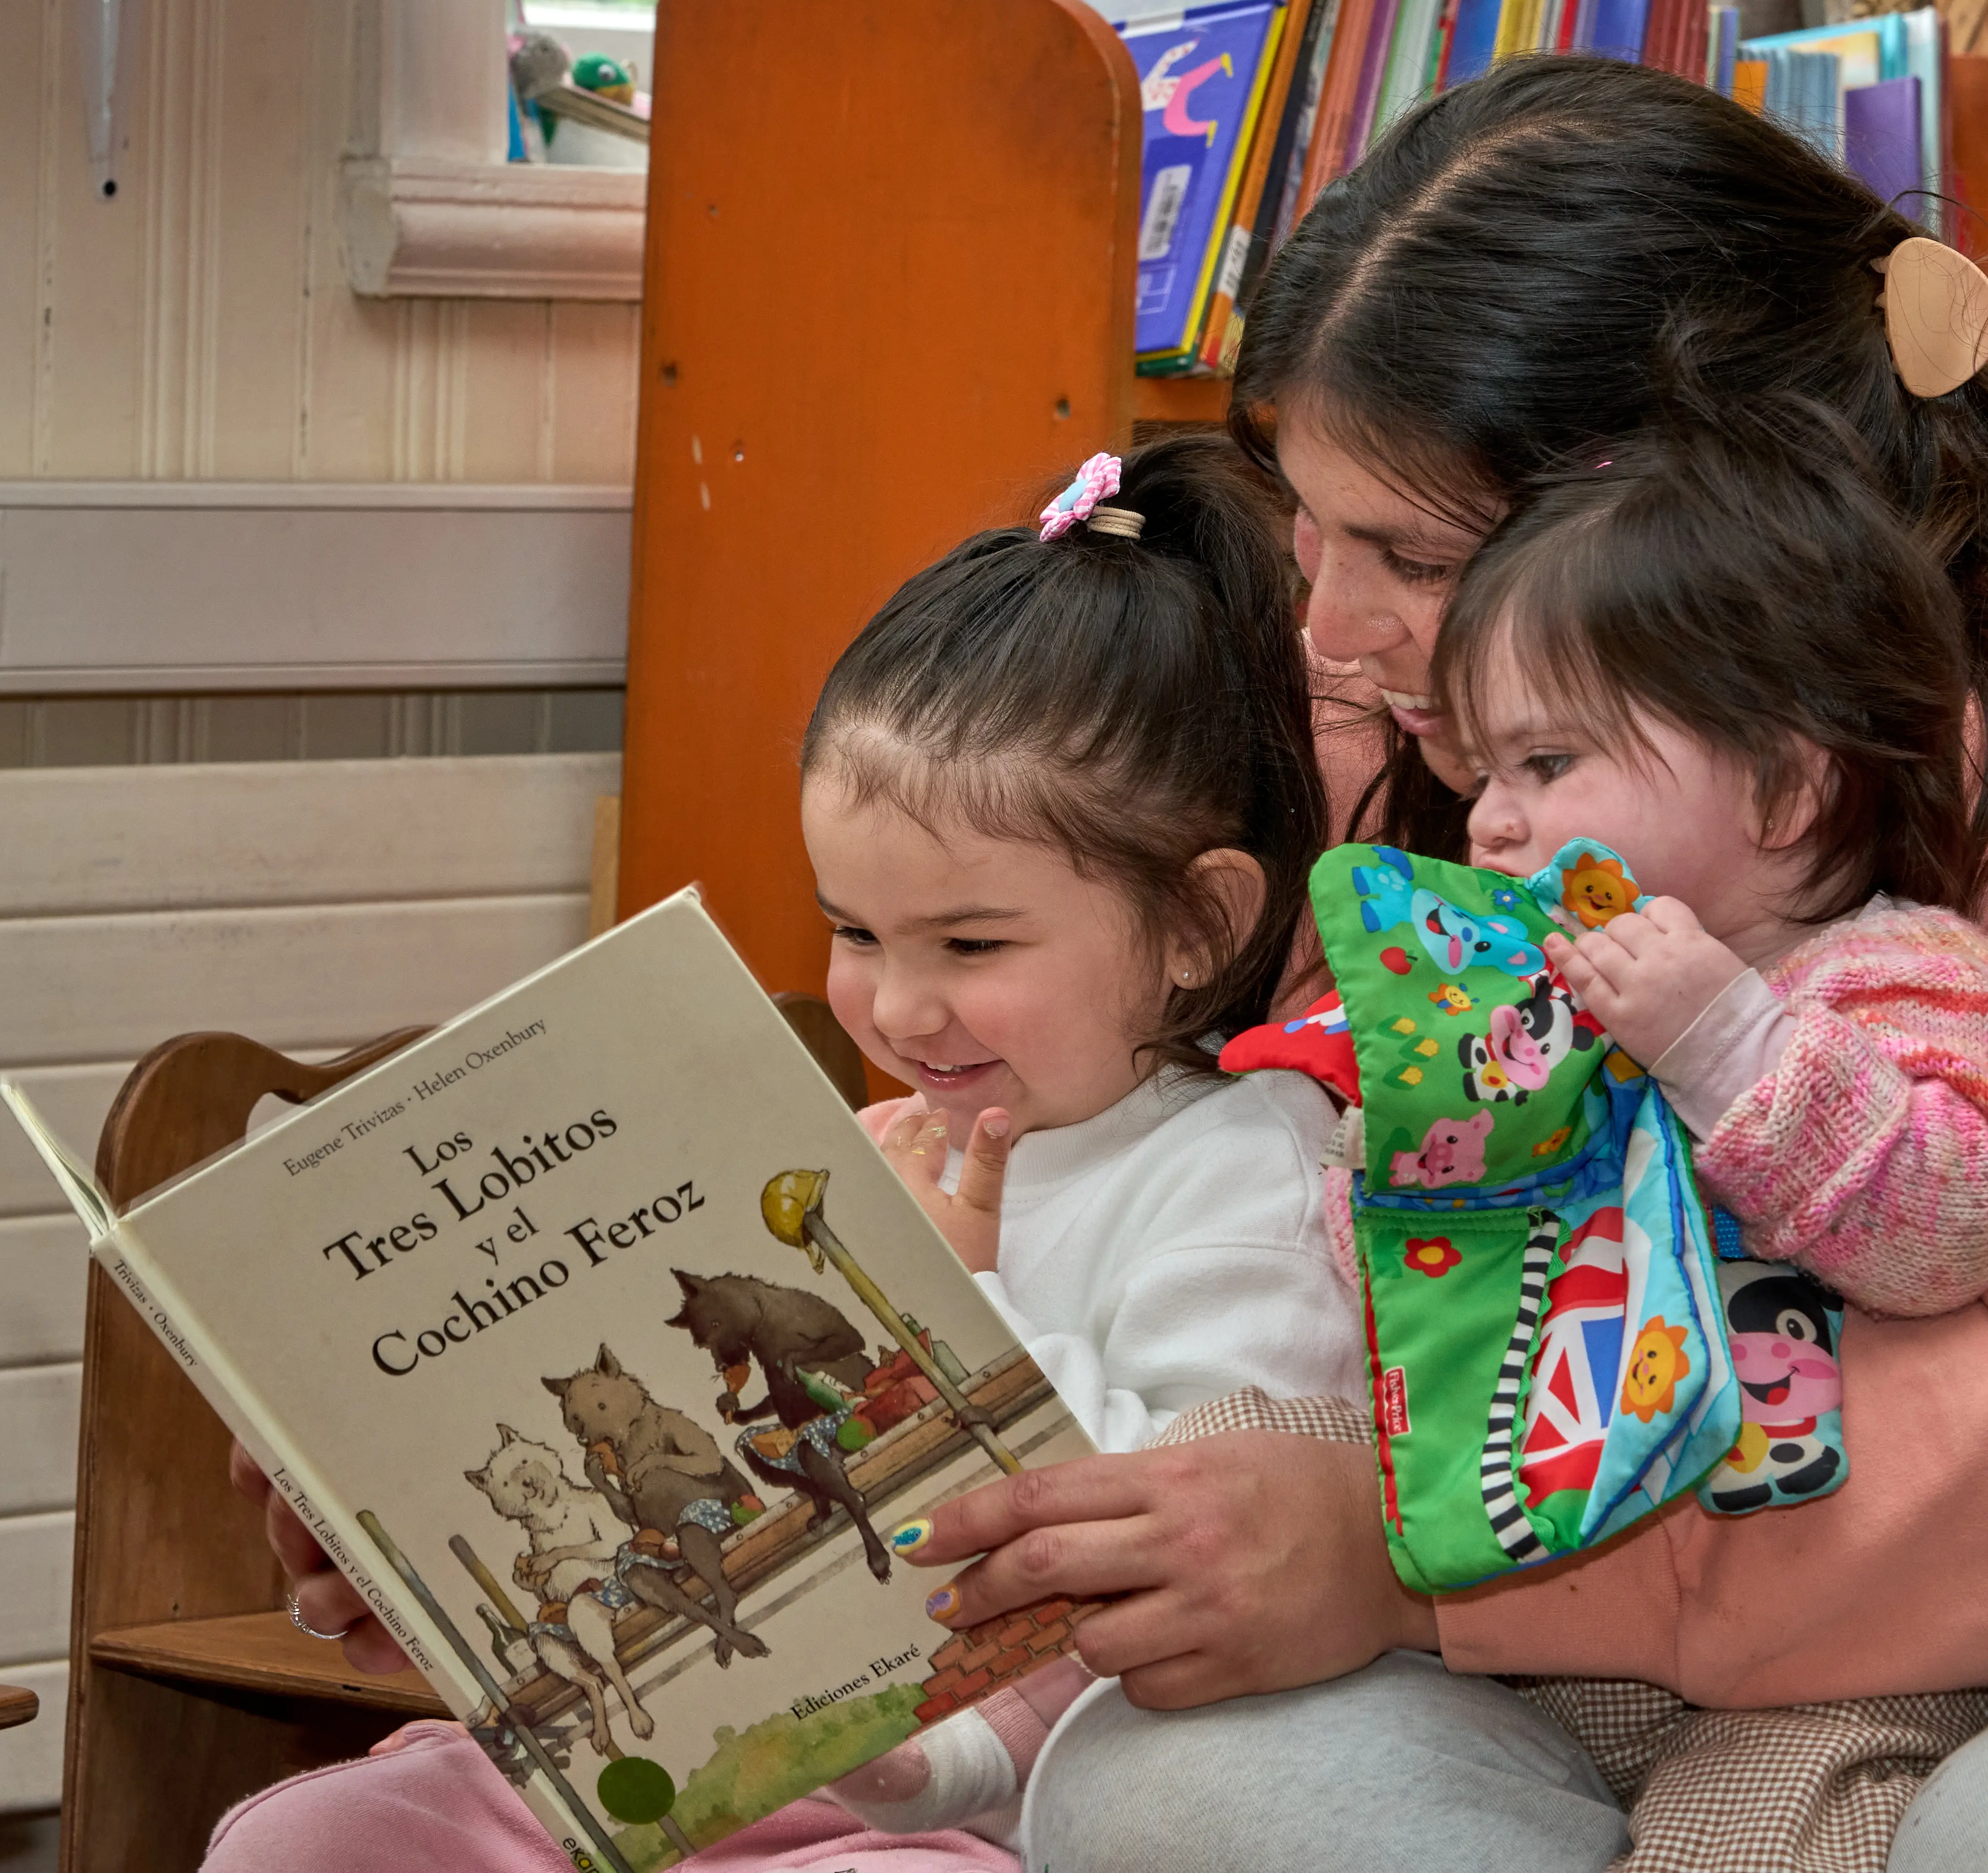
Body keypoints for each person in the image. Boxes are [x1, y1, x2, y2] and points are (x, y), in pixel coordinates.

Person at [873, 55, 1988, 1873]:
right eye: (1307, 530)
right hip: (1583, 1649)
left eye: (1406, 554)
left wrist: (1425, 1543)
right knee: (1177, 1786)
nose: (1330, 626)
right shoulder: (1409, 732)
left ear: (1689, 530)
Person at [203, 436, 1385, 1873]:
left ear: (1199, 923)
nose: (898, 1006)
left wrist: (949, 1308)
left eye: (971, 944)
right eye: (855, 931)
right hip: (756, 1728)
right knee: (319, 1834)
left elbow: (1200, 1569)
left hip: (1014, 1798)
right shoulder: (881, 1142)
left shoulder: (1249, 1170)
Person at [1432, 422, 1988, 1327]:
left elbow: (1958, 1237)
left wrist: (1725, 1048)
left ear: (1782, 792)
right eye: (1479, 776)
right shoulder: (1537, 996)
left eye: (1547, 762)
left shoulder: (1913, 973)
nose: (1485, 820)